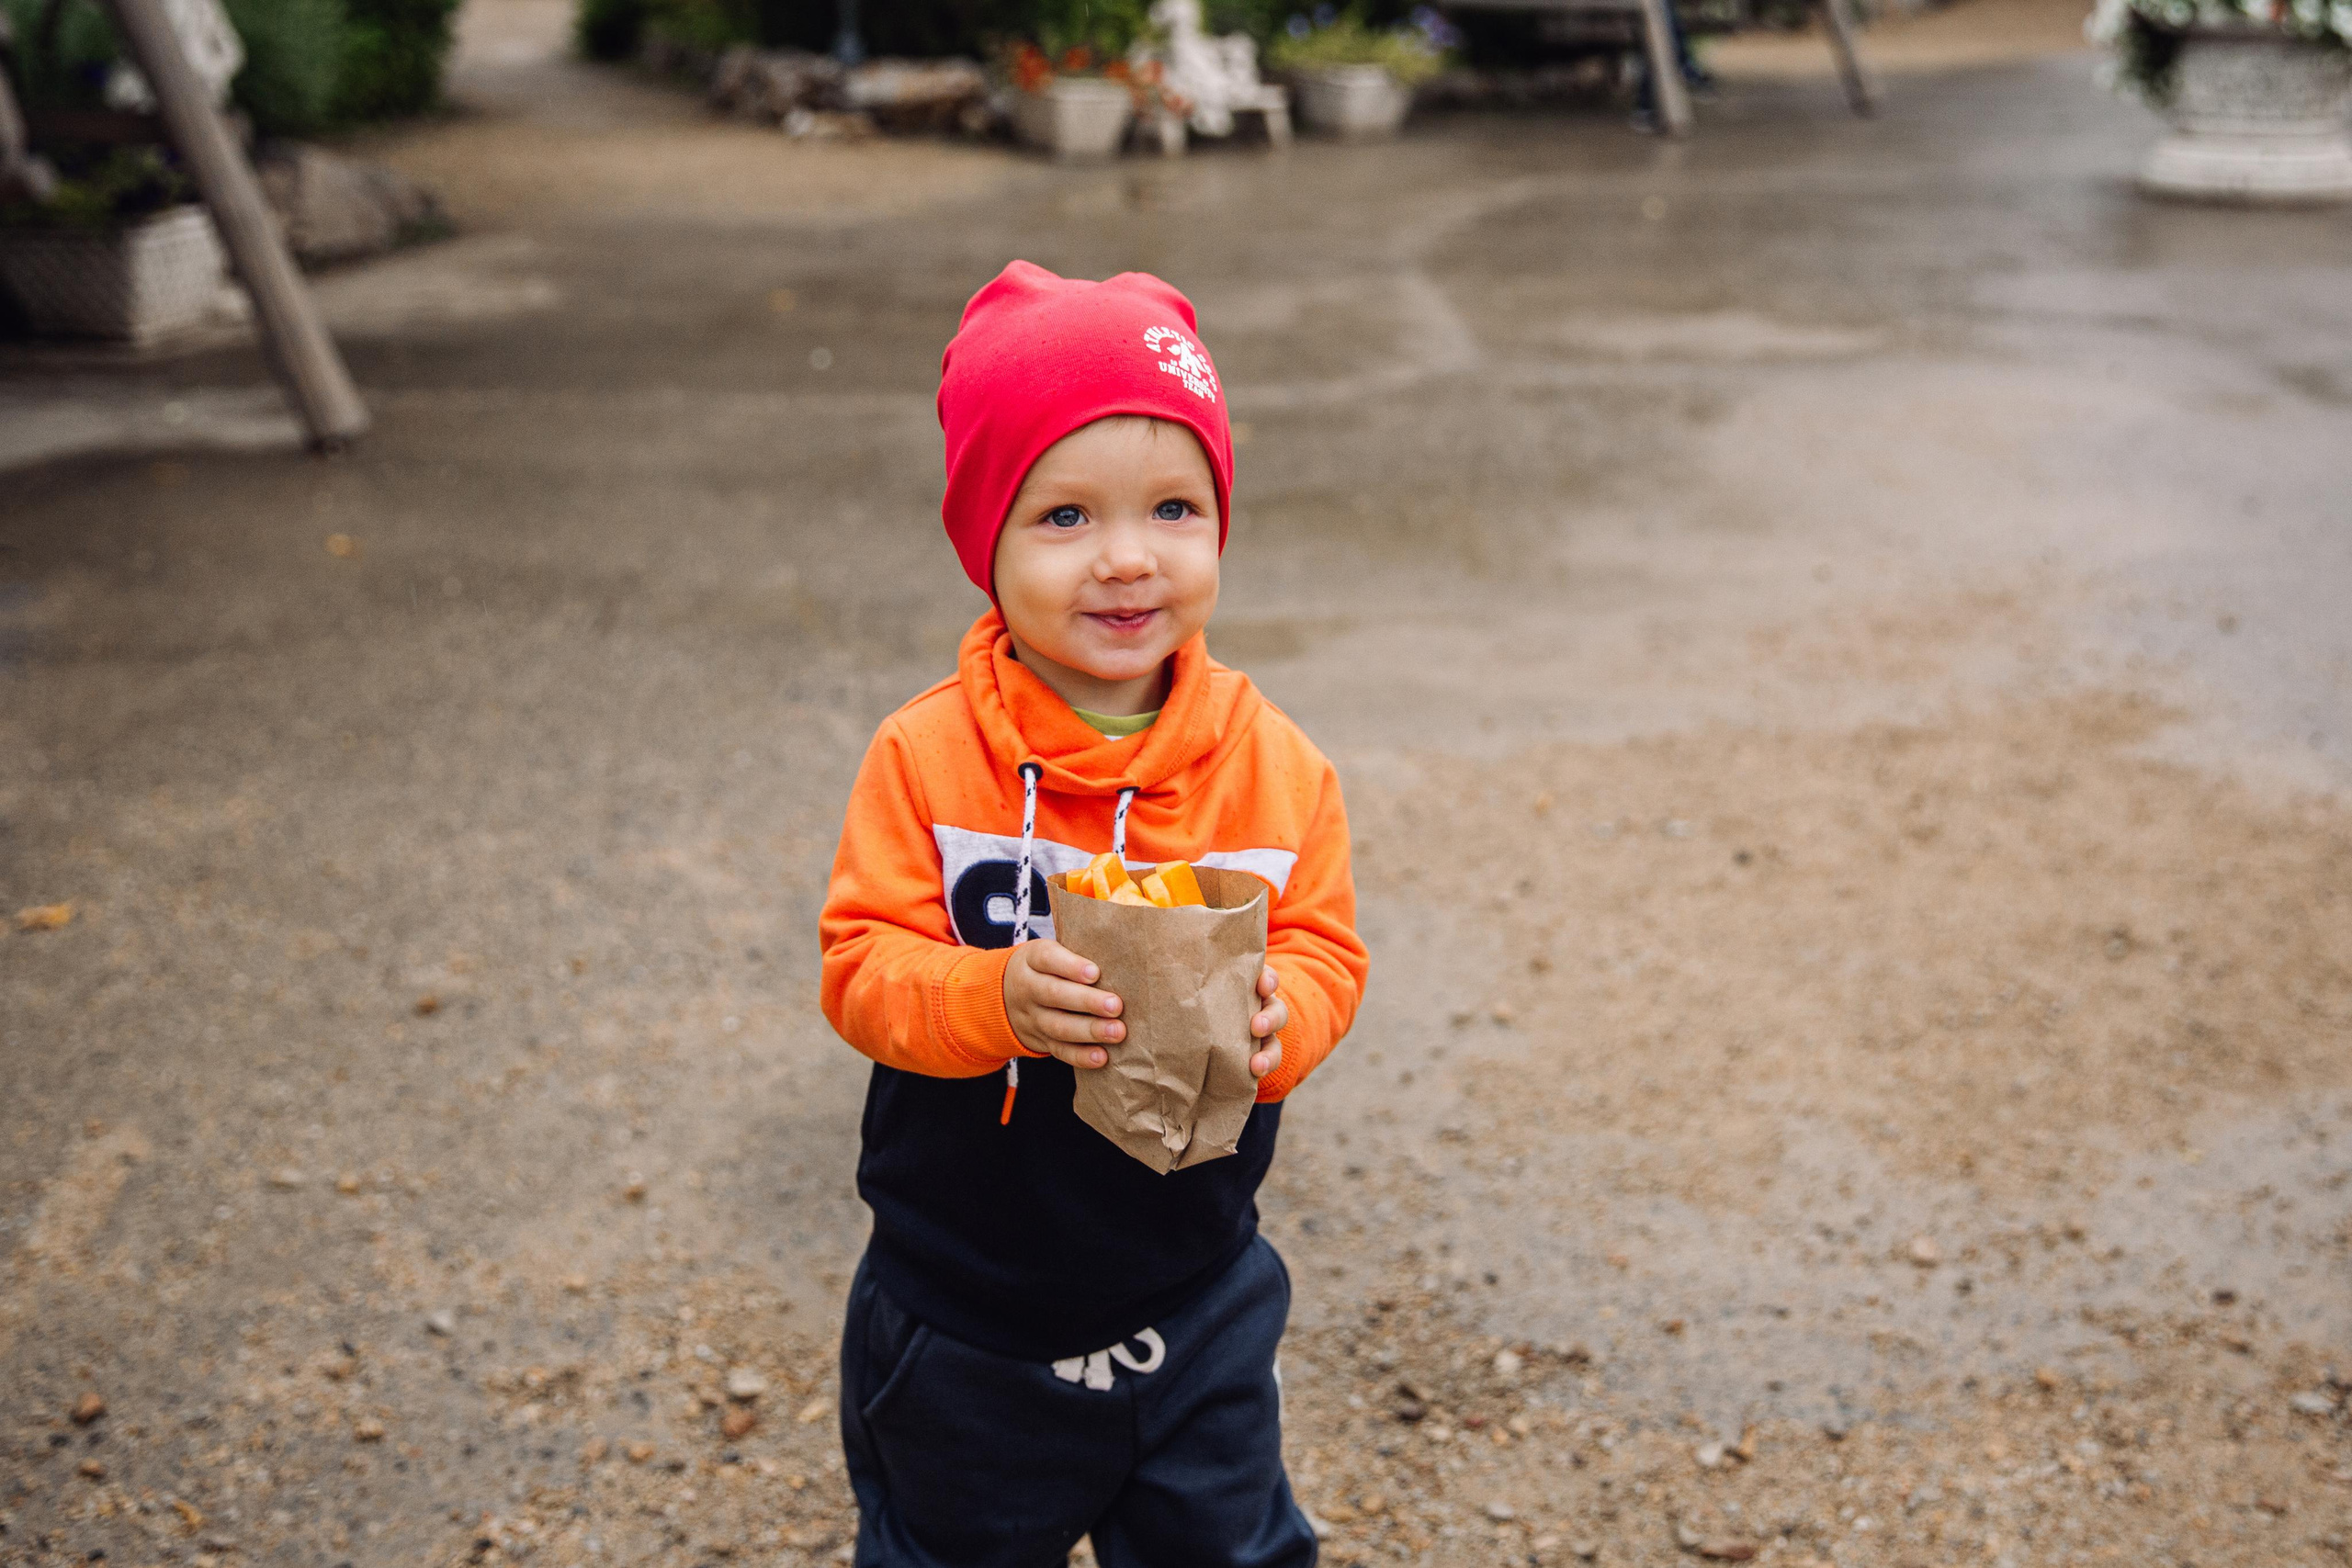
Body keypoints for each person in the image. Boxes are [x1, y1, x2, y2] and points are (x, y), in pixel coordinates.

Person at [818, 261, 1371, 1568]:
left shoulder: (1272, 767)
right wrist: (989, 997)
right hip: (967, 1313)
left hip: (1196, 1290)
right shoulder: (926, 759)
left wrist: (1290, 1015)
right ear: (985, 544)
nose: (1129, 558)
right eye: (1064, 517)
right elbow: (860, 967)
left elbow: (1326, 946)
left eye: (1175, 507)